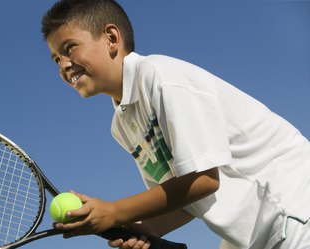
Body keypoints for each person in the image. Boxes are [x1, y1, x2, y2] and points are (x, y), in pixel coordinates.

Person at [41, 0, 310, 248]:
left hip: (291, 205)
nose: (63, 64)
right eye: (56, 59)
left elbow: (204, 180)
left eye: (69, 48)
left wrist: (114, 211)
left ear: (111, 38)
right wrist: (143, 229)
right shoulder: (121, 126)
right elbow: (186, 199)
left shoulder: (160, 77)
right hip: (253, 235)